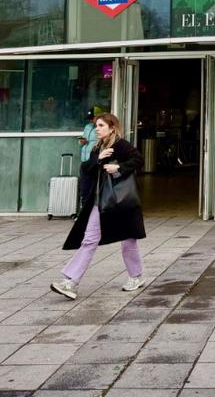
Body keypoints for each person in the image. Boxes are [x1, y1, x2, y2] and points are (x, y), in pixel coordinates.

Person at [51, 112, 146, 300]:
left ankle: (136, 276)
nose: (97, 129)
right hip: (101, 201)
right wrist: (99, 158)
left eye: (101, 126)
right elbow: (86, 168)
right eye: (96, 126)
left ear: (112, 128)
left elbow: (138, 160)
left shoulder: (121, 145)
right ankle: (71, 282)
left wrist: (118, 168)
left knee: (128, 241)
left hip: (122, 201)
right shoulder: (98, 147)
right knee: (89, 239)